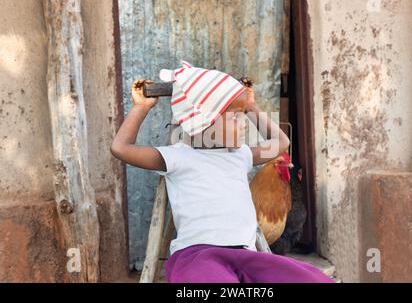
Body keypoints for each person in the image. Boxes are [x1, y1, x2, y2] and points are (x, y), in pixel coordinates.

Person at [110, 60, 335, 283]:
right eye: (236, 116)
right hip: (199, 256)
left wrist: (250, 106)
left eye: (243, 115)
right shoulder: (178, 157)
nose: (244, 122)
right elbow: (121, 149)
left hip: (245, 255)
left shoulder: (240, 155)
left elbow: (281, 141)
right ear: (204, 122)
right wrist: (141, 108)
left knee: (311, 279)